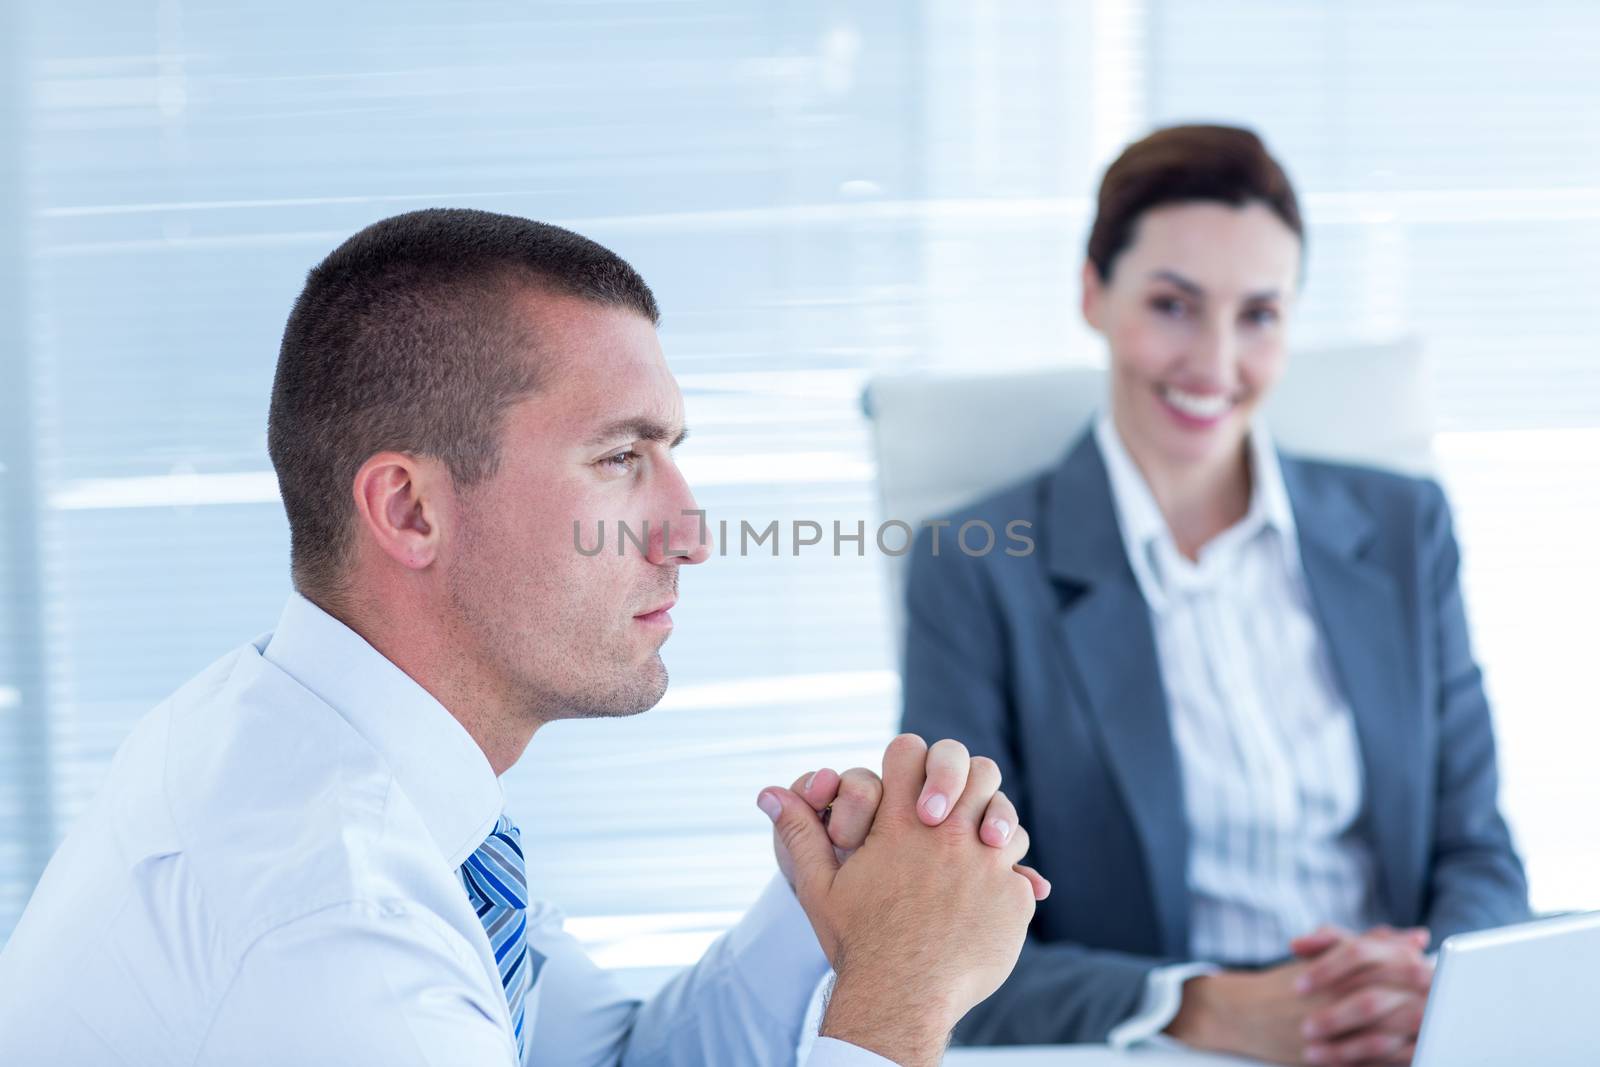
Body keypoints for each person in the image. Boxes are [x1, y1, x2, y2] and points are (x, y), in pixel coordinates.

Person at [0, 208, 1049, 1067]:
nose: (690, 532)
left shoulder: (351, 759)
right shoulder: (327, 925)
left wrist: (834, 918)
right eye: (618, 459)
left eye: (668, 452)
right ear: (409, 510)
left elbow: (606, 1061)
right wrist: (902, 992)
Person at [900, 125, 1529, 1065]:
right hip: (1164, 1048)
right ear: (1092, 294)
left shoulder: (1404, 528)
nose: (1216, 362)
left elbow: (1477, 853)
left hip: (1403, 1037)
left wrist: (1423, 981)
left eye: (1260, 315)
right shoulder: (980, 563)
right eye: (1173, 304)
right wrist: (1198, 1006)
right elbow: (954, 941)